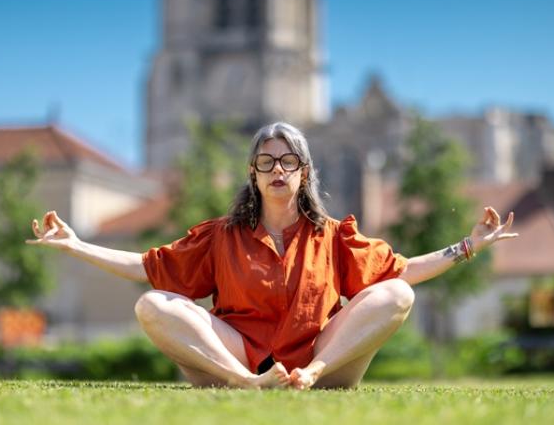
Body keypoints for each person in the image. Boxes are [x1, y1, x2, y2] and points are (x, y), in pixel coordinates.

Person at [27, 122, 518, 390]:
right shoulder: (221, 236)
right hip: (240, 359)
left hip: (321, 362)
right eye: (266, 161)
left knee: (395, 292)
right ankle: (247, 386)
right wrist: (75, 245)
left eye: (288, 161)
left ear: (304, 172)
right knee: (151, 303)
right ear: (254, 174)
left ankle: (308, 378)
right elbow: (150, 269)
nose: (277, 169)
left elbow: (403, 271)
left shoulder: (332, 235)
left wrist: (470, 245)